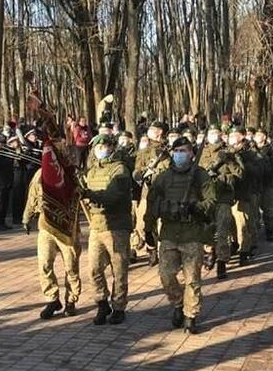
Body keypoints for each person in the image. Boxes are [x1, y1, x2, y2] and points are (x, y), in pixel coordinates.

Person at [144, 137, 215, 334]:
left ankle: (190, 315)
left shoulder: (200, 176)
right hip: (169, 233)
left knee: (192, 278)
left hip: (192, 233)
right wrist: (148, 229)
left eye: (183, 151)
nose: (179, 155)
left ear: (191, 153)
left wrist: (195, 207)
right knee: (166, 275)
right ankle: (177, 302)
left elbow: (211, 201)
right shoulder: (164, 177)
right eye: (176, 151)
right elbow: (152, 203)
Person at [82, 135, 133, 326]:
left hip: (117, 226)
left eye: (105, 146)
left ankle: (119, 307)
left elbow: (113, 196)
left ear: (112, 148)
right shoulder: (92, 171)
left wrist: (89, 194)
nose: (102, 150)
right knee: (94, 268)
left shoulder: (120, 170)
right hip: (97, 225)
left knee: (119, 269)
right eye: (99, 147)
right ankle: (102, 302)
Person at [22, 162, 82, 319]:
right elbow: (32, 195)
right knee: (44, 264)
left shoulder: (71, 173)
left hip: (68, 227)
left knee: (71, 266)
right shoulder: (41, 173)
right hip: (46, 224)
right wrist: (27, 217)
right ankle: (52, 299)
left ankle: (71, 300)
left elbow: (84, 194)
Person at [198, 124, 242, 278]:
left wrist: (228, 163)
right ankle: (210, 252)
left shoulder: (229, 152)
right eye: (210, 133)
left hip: (223, 198)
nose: (213, 135)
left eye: (215, 132)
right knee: (206, 229)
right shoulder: (201, 153)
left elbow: (240, 174)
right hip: (206, 198)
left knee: (222, 230)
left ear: (221, 134)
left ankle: (222, 261)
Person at [132, 121, 170, 265]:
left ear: (160, 132)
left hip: (165, 193)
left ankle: (163, 252)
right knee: (145, 225)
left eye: (154, 129)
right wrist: (141, 174)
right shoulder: (144, 151)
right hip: (147, 193)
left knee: (164, 224)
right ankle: (151, 248)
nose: (151, 131)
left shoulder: (168, 150)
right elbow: (137, 170)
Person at [227, 128, 261, 265]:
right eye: (230, 135)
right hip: (228, 194)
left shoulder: (250, 153)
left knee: (242, 224)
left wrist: (236, 161)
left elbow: (252, 171)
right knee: (231, 225)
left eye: (234, 135)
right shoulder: (227, 151)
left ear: (242, 136)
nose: (231, 137)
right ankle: (235, 244)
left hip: (243, 193)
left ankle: (244, 251)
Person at [254, 128, 273, 241]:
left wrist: (270, 159)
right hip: (255, 184)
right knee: (254, 210)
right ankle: (255, 231)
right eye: (256, 135)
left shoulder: (271, 149)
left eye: (260, 135)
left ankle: (269, 230)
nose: (257, 137)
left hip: (268, 183)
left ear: (264, 137)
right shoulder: (251, 149)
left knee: (269, 209)